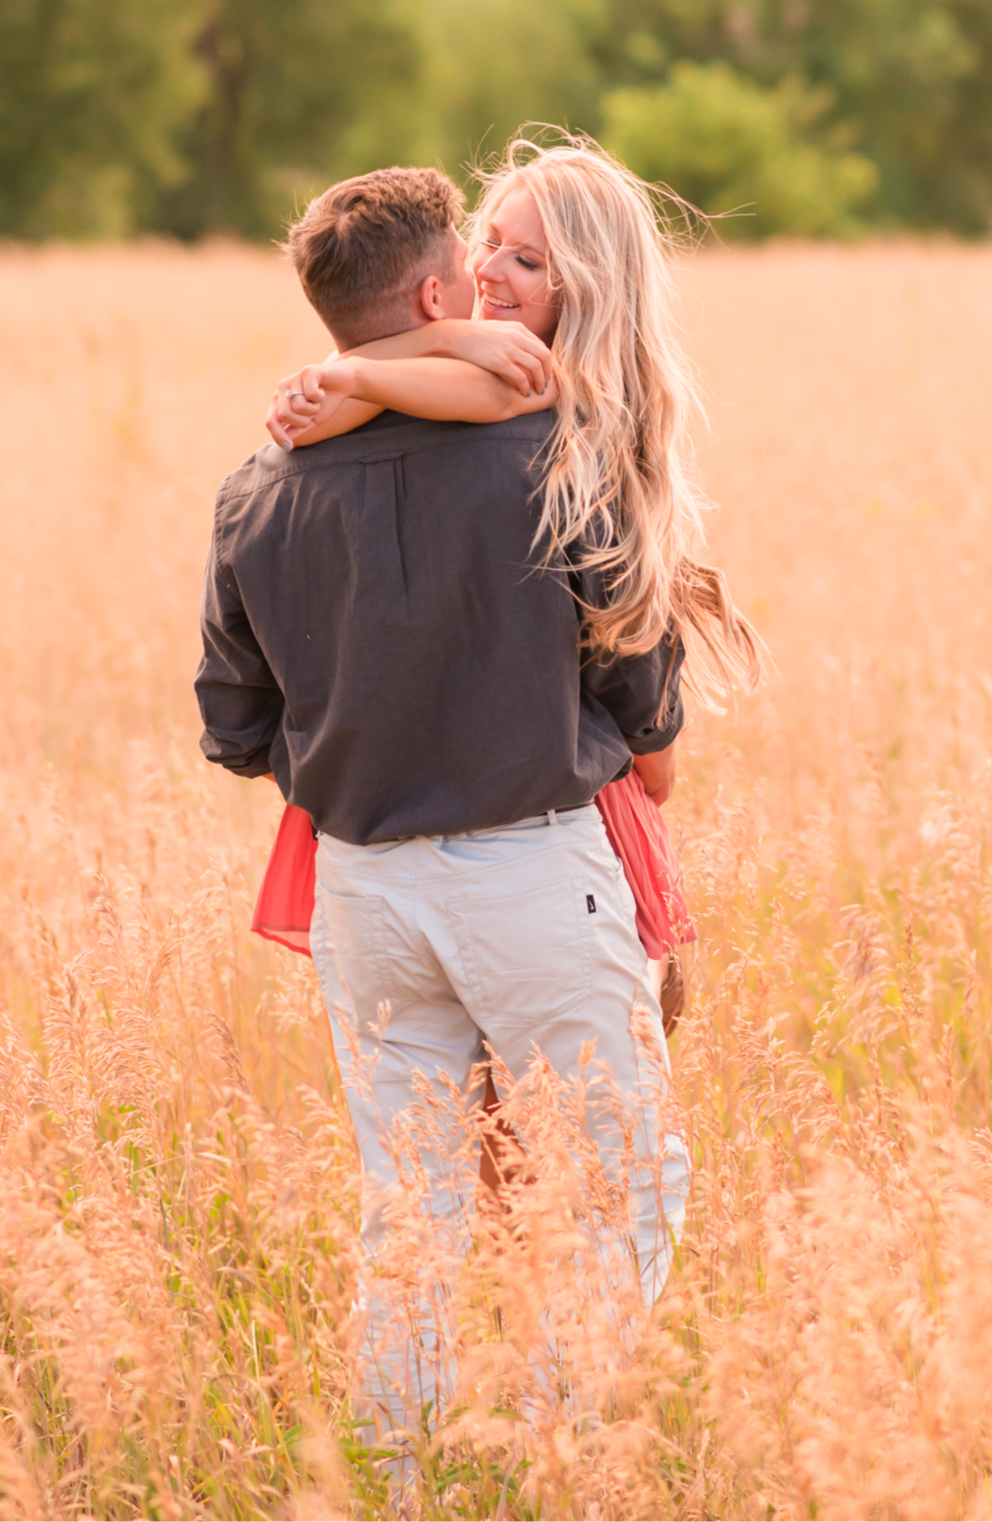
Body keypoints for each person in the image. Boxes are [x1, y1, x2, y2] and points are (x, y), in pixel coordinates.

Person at [196, 145, 758, 1452]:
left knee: (413, 1206)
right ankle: (567, 1451)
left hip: (362, 882)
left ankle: (392, 1471)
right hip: (532, 867)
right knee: (627, 1184)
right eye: (487, 254)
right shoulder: (559, 457)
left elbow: (235, 730)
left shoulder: (261, 482)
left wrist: (365, 752)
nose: (497, 279)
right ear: (443, 286)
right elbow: (645, 713)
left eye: (529, 258)